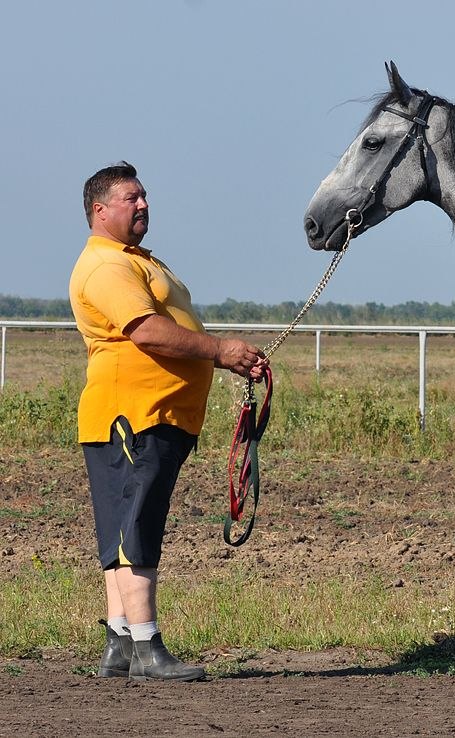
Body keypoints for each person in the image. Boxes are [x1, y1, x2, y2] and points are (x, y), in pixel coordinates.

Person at [69, 161, 267, 681]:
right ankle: (147, 646)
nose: (143, 204)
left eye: (144, 196)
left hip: (141, 415)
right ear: (100, 210)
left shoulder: (132, 260)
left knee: (121, 528)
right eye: (131, 198)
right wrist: (220, 350)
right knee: (137, 525)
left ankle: (118, 641)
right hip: (134, 414)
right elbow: (148, 331)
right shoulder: (108, 267)